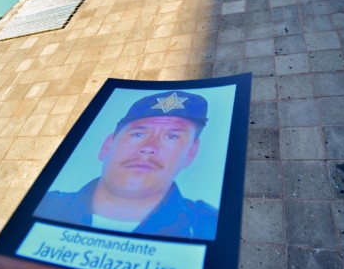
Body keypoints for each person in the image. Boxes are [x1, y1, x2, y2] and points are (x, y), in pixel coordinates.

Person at [34, 90, 219, 240]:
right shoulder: (43, 205)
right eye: (138, 134)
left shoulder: (211, 227)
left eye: (172, 136)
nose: (149, 147)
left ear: (191, 153)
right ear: (107, 146)